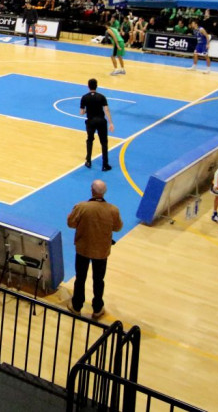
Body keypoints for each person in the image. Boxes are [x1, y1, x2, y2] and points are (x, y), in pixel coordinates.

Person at [67, 179, 123, 320]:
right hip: (101, 251)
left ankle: (77, 306)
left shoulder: (81, 207)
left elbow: (70, 223)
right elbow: (117, 227)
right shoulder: (113, 210)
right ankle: (97, 308)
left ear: (92, 191)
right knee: (99, 280)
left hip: (83, 249)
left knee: (80, 278)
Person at [80, 78, 114, 171]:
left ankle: (88, 161)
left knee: (90, 140)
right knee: (104, 143)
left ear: (88, 86)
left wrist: (89, 109)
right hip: (101, 121)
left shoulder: (84, 97)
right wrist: (111, 123)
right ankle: (105, 164)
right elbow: (106, 110)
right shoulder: (102, 97)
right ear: (96, 86)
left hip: (91, 121)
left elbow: (82, 112)